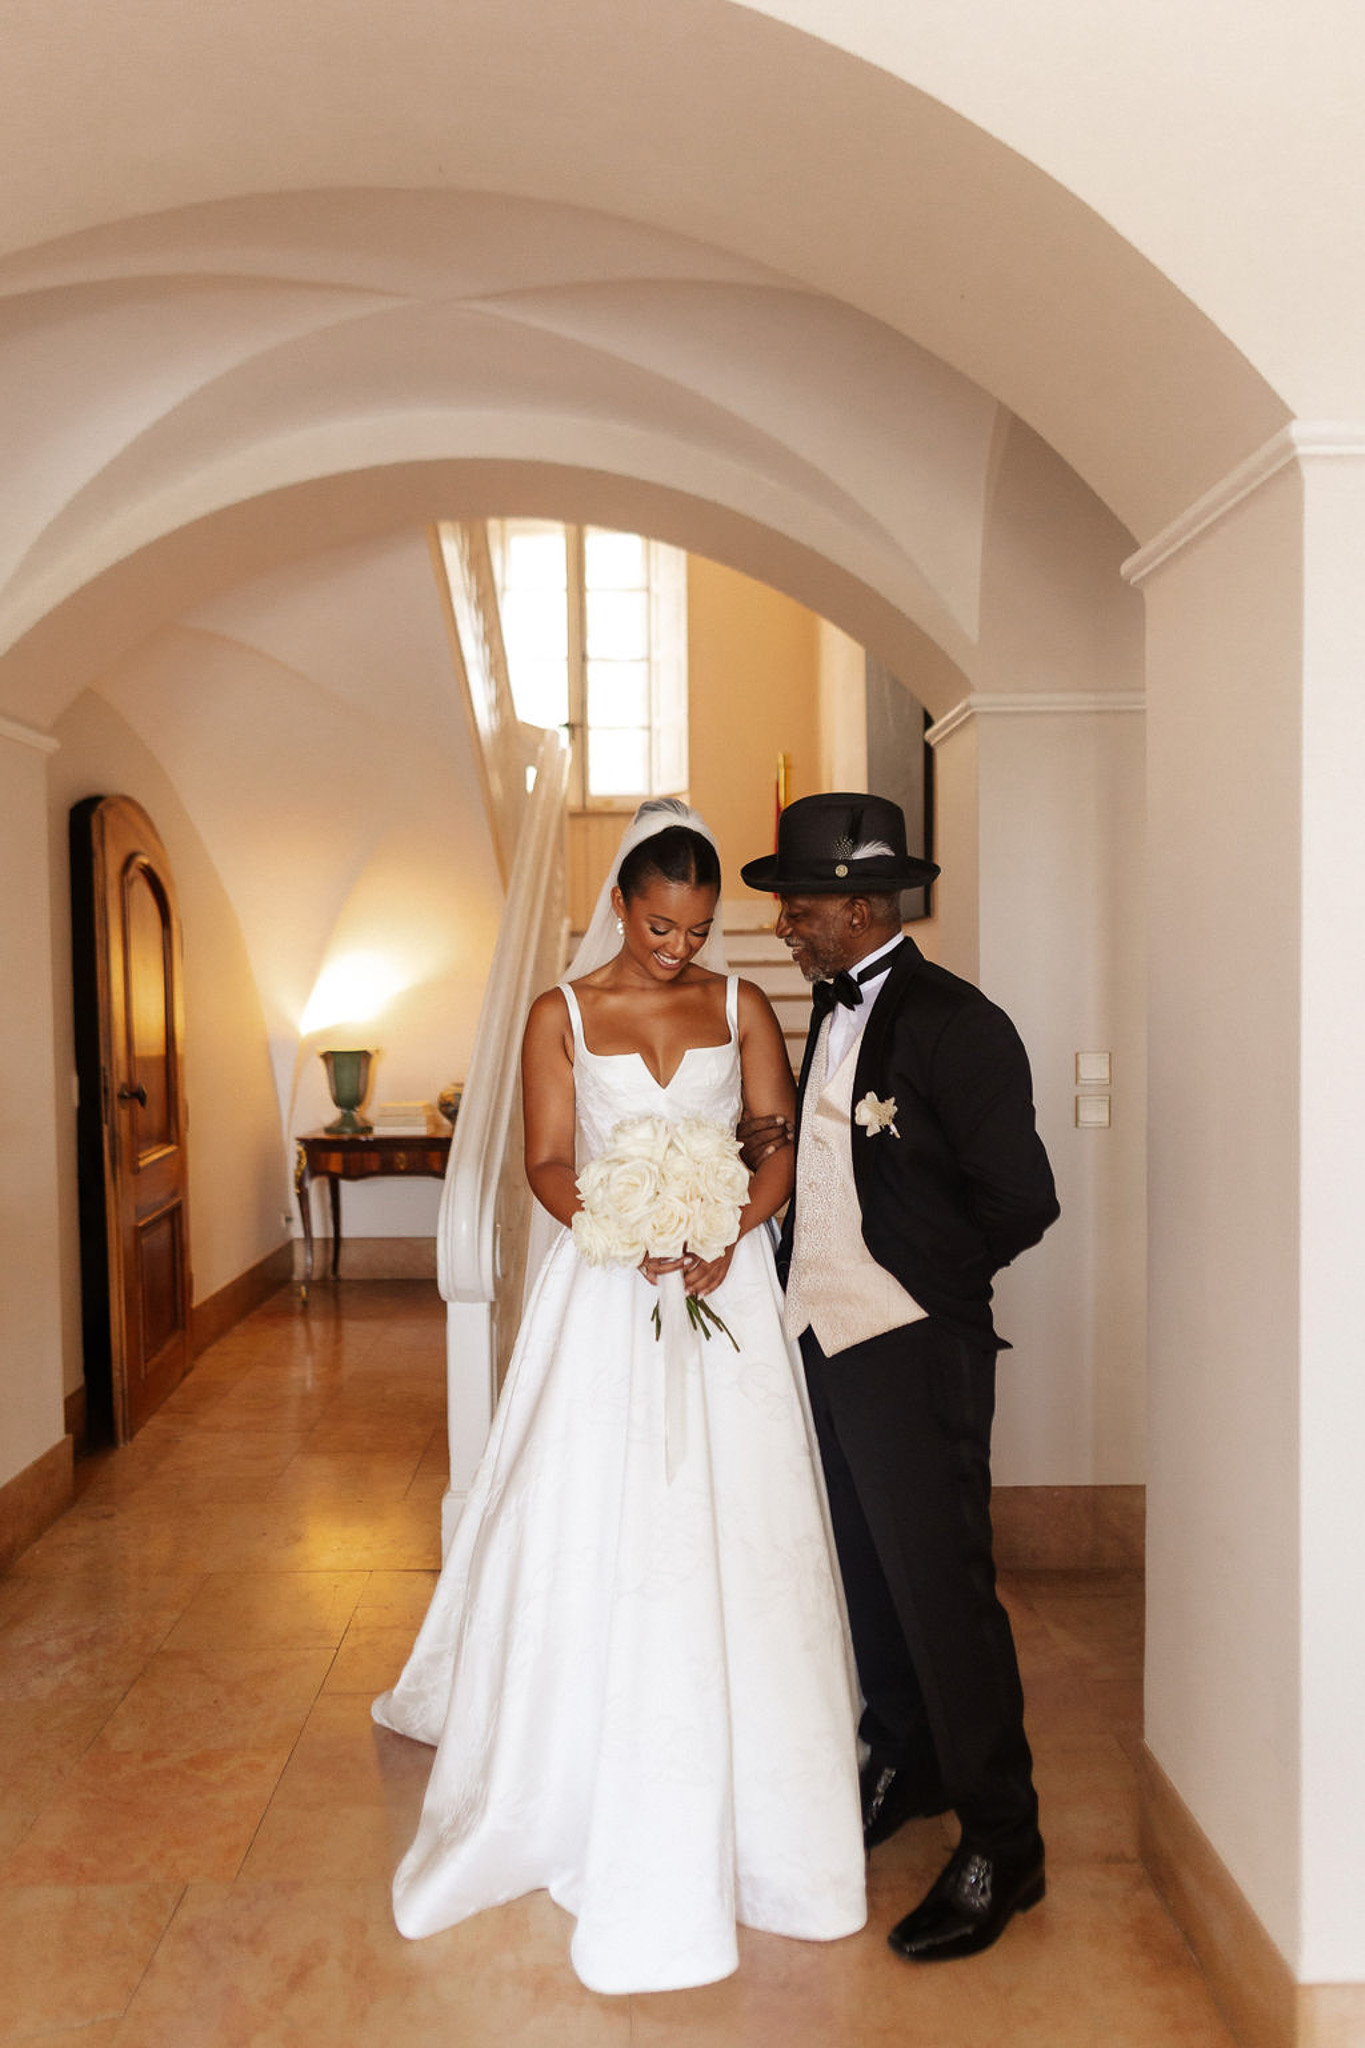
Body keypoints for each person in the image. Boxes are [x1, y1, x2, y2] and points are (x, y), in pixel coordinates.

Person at [373, 799, 866, 1995]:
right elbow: (547, 1158)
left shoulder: (743, 1004)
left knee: (734, 1520)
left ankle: (760, 1791)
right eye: (660, 925)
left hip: (723, 1285)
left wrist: (726, 1227)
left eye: (697, 930)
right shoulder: (560, 1012)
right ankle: (577, 1763)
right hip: (607, 1285)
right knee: (597, 1515)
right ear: (625, 904)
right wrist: (620, 1224)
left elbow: (772, 1133)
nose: (678, 950)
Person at [739, 790, 1060, 1964]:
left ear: (861, 904)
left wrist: (917, 1289)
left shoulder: (960, 1023)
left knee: (945, 1595)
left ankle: (1005, 1837)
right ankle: (909, 1756)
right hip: (824, 1338)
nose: (784, 924)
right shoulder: (828, 1010)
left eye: (800, 905)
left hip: (913, 1349)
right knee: (870, 1577)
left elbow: (1023, 1198)